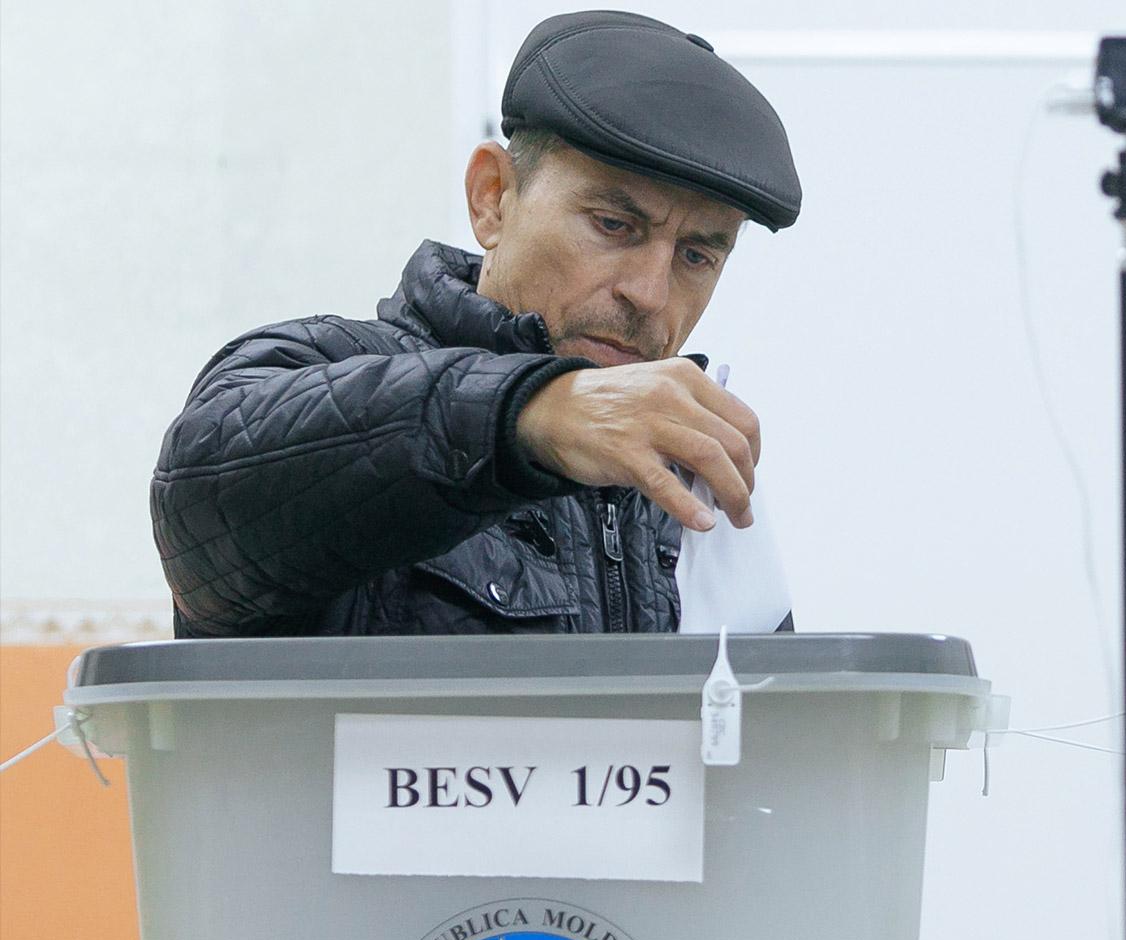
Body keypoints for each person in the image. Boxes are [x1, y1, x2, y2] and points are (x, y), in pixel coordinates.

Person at [150, 10, 801, 641]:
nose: (650, 295)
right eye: (613, 225)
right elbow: (200, 498)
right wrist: (530, 414)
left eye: (696, 256)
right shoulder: (323, 362)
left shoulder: (693, 475)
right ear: (491, 198)